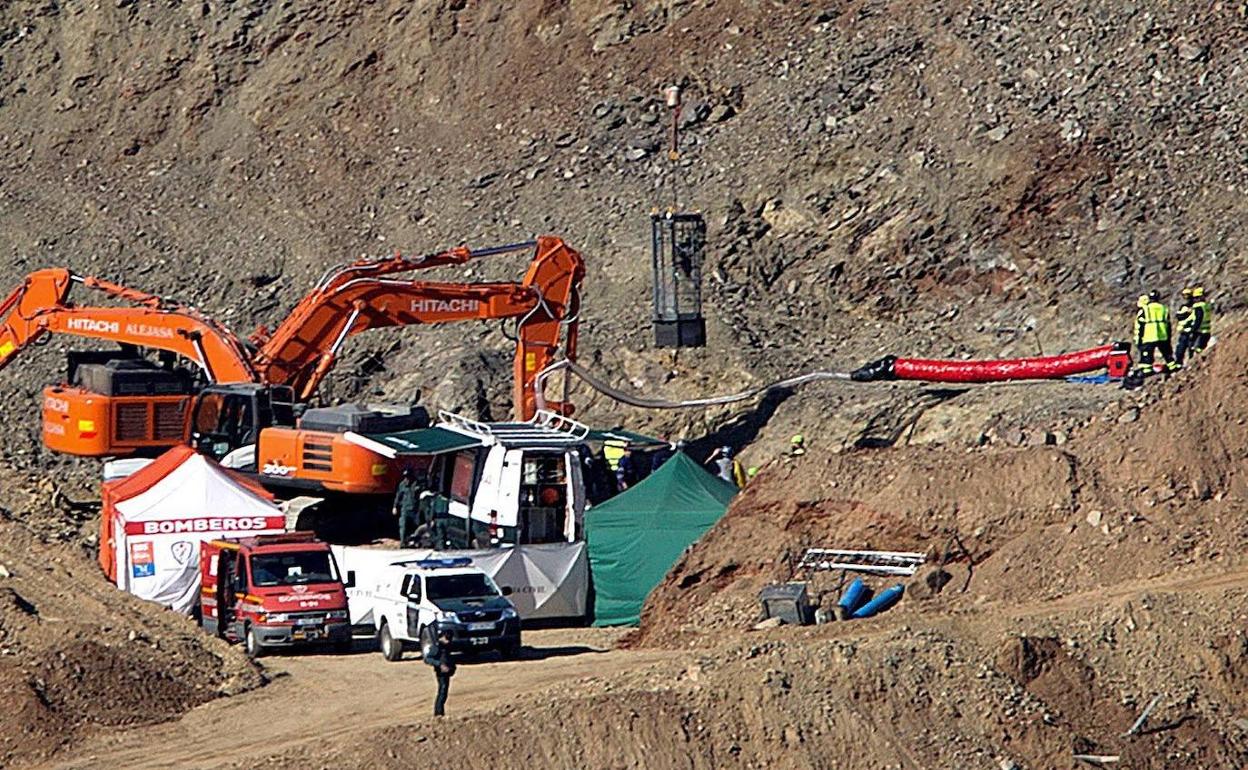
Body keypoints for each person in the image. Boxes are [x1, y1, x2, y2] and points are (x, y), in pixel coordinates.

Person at [1134, 291, 1176, 373]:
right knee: (1167, 355)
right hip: (1162, 335)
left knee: (1147, 357)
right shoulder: (1164, 308)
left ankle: (1147, 372)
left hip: (1148, 336)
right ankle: (1173, 368)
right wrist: (1168, 337)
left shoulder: (1145, 309)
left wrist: (1138, 339)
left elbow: (1140, 326)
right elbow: (1168, 324)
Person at [424, 625, 457, 717]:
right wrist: (439, 665)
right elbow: (427, 659)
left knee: (444, 692)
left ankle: (440, 713)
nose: (448, 641)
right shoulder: (437, 647)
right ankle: (438, 713)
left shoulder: (447, 646)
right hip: (441, 673)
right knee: (442, 692)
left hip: (446, 672)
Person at [1175, 286, 1212, 365]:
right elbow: (1179, 316)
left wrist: (1193, 330)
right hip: (1190, 331)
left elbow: (1197, 320)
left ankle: (1194, 365)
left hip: (1197, 331)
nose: (1186, 298)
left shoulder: (1198, 307)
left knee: (1194, 349)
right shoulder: (1204, 306)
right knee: (1181, 351)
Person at [393, 467, 424, 546]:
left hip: (415, 508)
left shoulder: (417, 484)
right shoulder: (402, 485)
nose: (407, 479)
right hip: (405, 508)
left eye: (408, 476)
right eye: (405, 477)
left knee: (416, 526)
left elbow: (421, 495)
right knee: (403, 526)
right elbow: (398, 496)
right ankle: (403, 542)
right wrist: (395, 507)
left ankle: (415, 542)